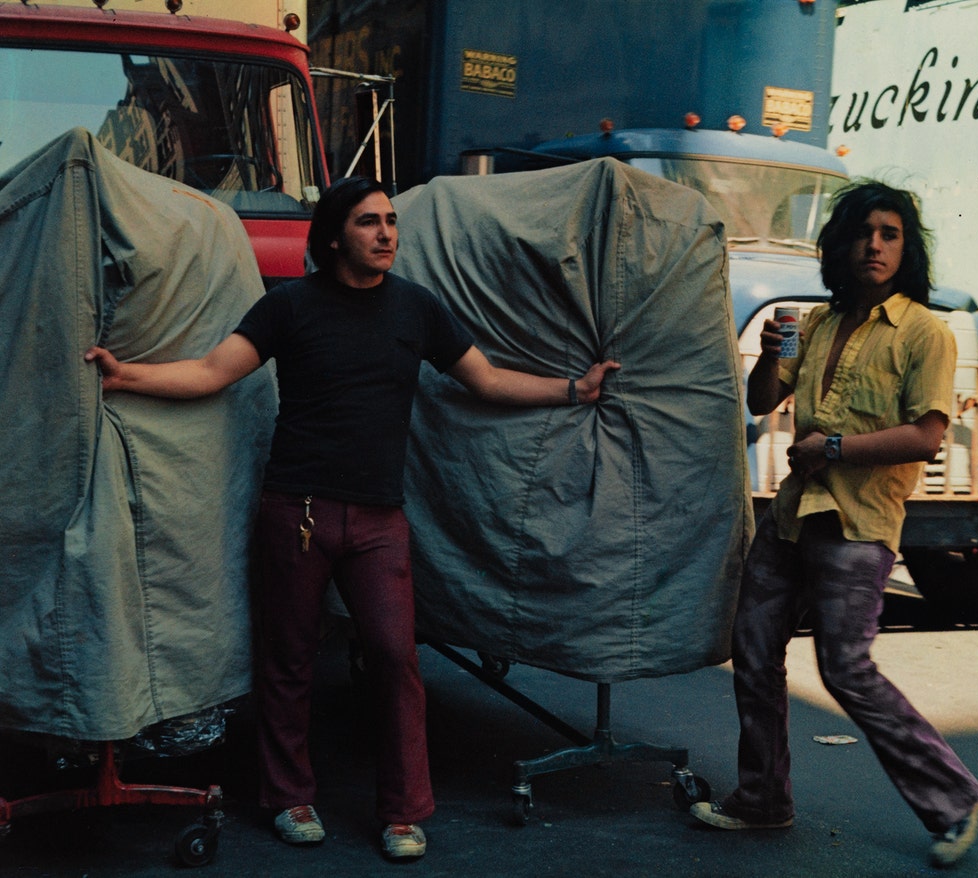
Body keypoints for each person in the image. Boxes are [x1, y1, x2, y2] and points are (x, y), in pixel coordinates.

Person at [84, 176, 620, 861]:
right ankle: (289, 797)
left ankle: (403, 812)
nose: (387, 233)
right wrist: (126, 375)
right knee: (288, 661)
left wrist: (574, 390)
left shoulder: (417, 308)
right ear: (335, 236)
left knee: (395, 658)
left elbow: (485, 379)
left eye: (391, 221)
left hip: (378, 520)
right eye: (370, 222)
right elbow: (213, 372)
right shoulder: (290, 306)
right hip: (297, 512)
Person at [689, 180, 978, 868]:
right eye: (862, 233)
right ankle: (763, 798)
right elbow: (763, 400)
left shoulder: (924, 332)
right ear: (840, 245)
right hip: (794, 515)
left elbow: (927, 436)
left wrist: (837, 448)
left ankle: (953, 798)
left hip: (858, 523)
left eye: (889, 235)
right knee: (753, 650)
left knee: (846, 669)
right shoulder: (818, 323)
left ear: (906, 250)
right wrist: (770, 354)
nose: (874, 246)